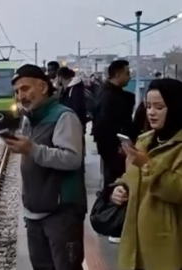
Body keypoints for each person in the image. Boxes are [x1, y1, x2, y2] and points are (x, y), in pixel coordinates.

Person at [2, 64, 86, 270]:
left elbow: (72, 158)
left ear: (42, 87)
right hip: (35, 213)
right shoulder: (30, 118)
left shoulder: (64, 116)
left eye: (25, 88)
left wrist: (32, 149)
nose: (21, 96)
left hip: (61, 214)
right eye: (17, 92)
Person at [111, 78, 182, 270]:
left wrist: (147, 165)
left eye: (159, 107)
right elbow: (131, 176)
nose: (151, 112)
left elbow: (177, 190)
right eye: (148, 106)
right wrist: (120, 188)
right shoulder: (144, 141)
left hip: (167, 244)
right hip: (135, 239)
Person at [92, 59, 135, 244]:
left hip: (115, 149)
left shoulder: (109, 93)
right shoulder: (109, 97)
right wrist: (117, 145)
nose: (129, 76)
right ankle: (115, 224)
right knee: (116, 185)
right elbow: (104, 125)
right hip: (115, 151)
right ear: (117, 74)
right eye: (127, 72)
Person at [57, 67, 87, 131]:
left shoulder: (75, 89)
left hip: (75, 126)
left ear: (60, 77)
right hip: (71, 125)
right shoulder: (68, 89)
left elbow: (77, 109)